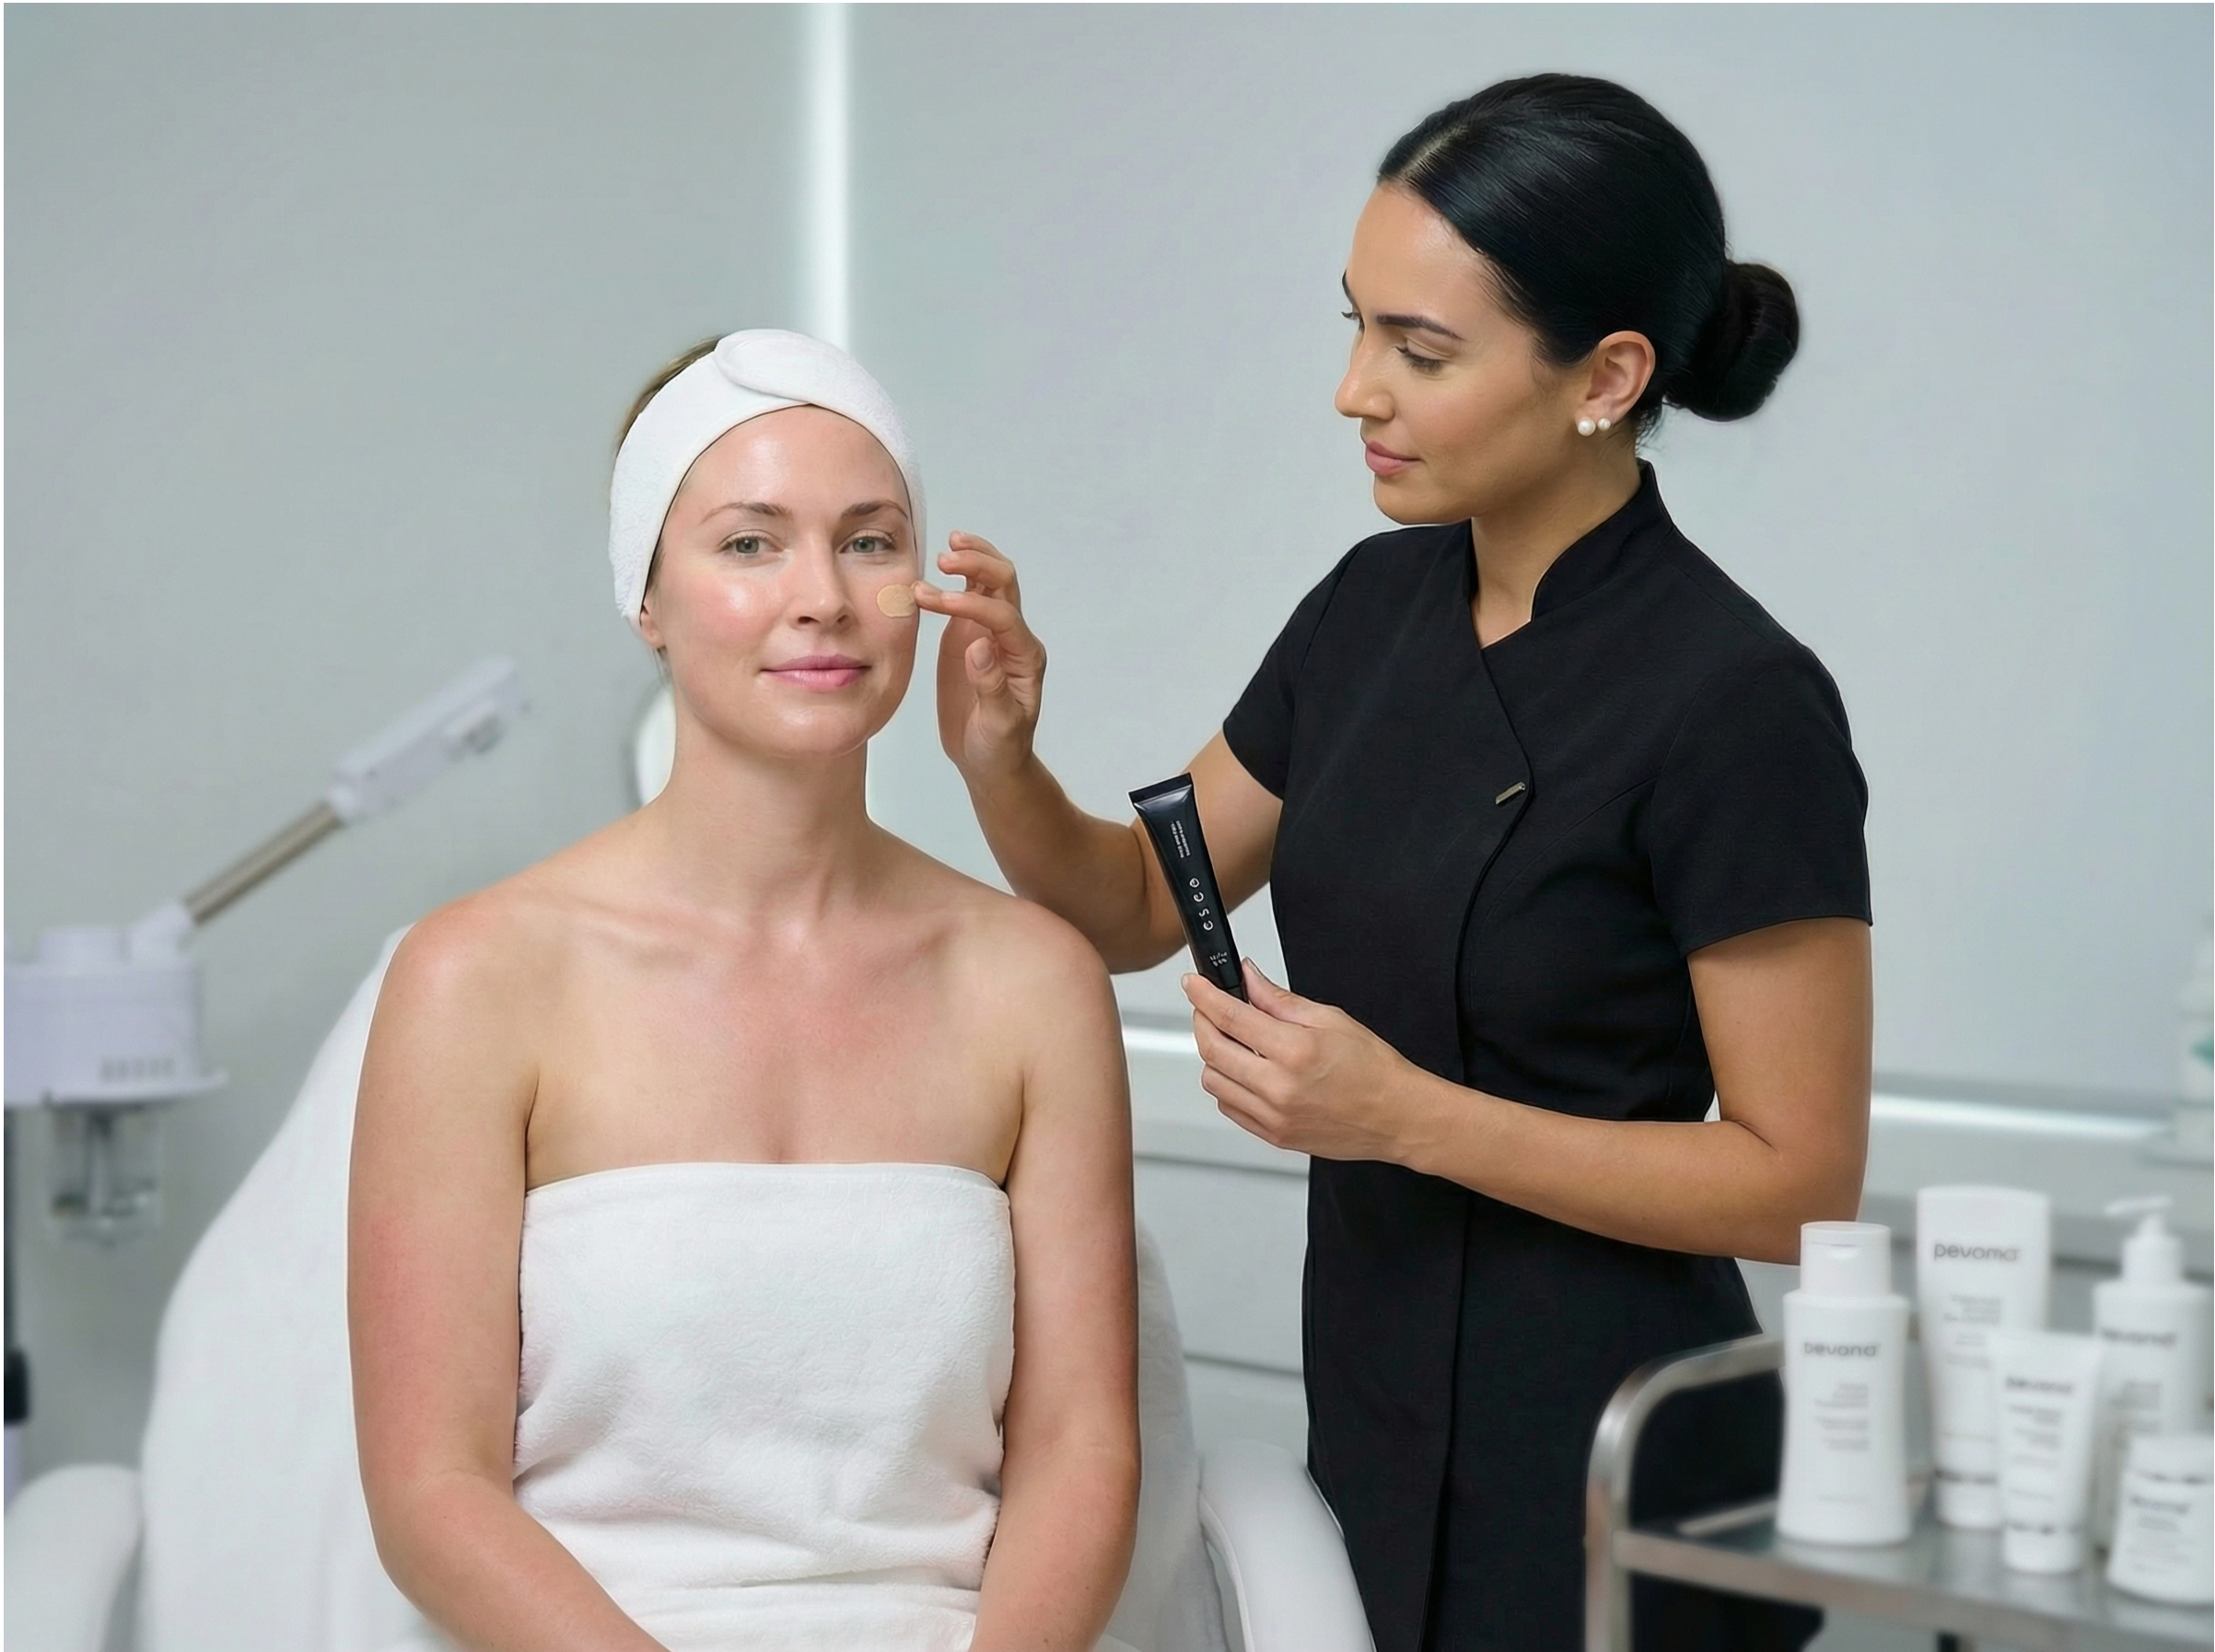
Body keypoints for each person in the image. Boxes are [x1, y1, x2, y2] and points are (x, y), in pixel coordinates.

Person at [914, 76, 1870, 1651]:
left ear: (1607, 375)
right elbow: (1138, 906)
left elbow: (1799, 1180)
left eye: (1421, 351)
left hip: (1612, 1453)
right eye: (1357, 326)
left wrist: (1405, 1117)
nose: (1357, 390)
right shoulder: (1370, 608)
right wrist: (1001, 757)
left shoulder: (1736, 697)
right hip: (1371, 1406)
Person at [349, 331, 1140, 1652]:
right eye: (750, 543)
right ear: (645, 595)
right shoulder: (477, 979)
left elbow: (1080, 1446)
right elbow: (432, 1490)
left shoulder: (1032, 984)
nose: (822, 595)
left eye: (873, 540)